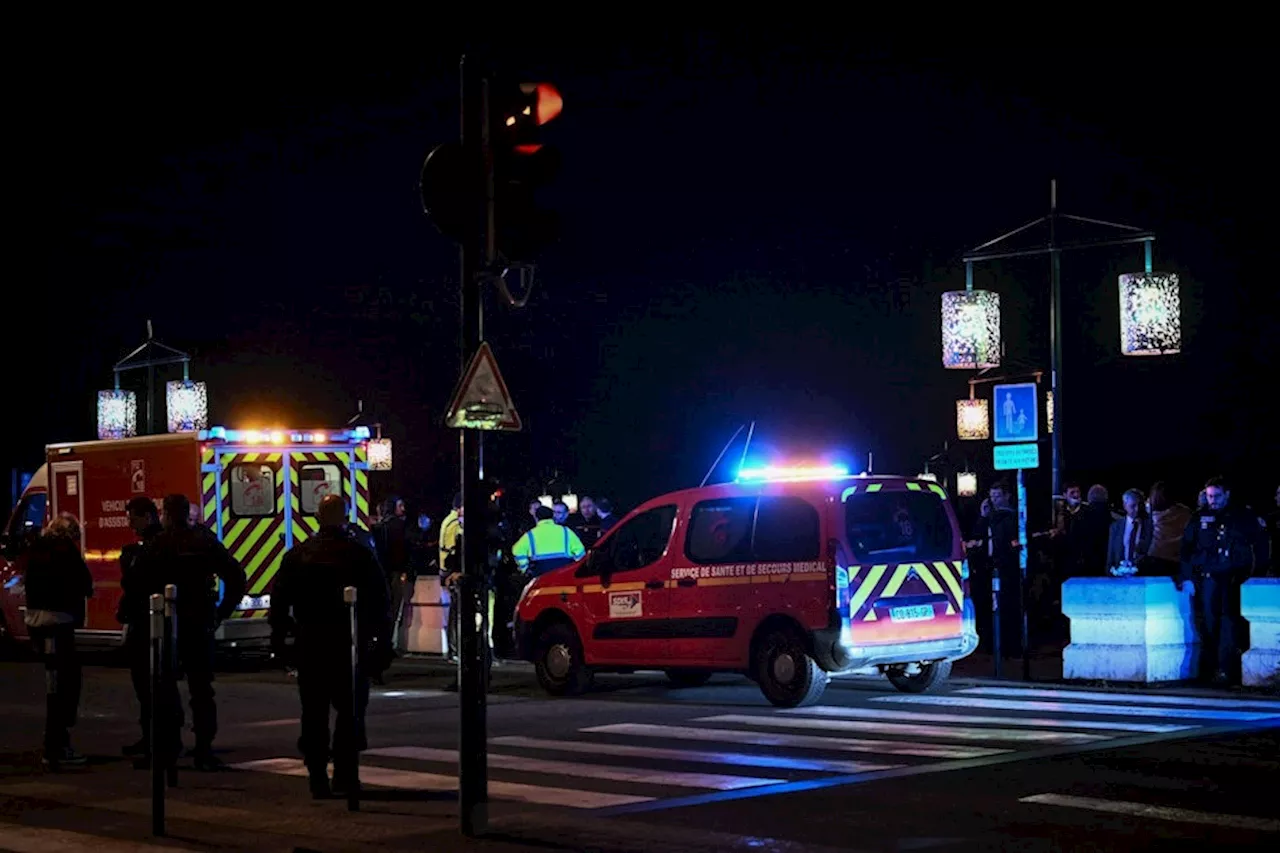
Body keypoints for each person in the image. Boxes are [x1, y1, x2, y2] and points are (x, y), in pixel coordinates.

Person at [270, 494, 391, 799]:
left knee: (313, 712)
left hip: (310, 644)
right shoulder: (359, 554)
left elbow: (279, 601)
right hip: (349, 645)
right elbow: (381, 601)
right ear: (345, 517)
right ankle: (346, 776)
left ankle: (317, 777)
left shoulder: (298, 555)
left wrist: (281, 639)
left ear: (318, 518)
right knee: (350, 713)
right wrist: (382, 643)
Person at [131, 493, 246, 770]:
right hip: (199, 622)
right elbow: (236, 576)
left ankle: (167, 749)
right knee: (202, 690)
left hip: (167, 626)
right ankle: (204, 750)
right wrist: (221, 612)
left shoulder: (157, 544)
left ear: (167, 515)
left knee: (164, 688)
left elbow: (136, 585)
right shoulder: (204, 542)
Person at [22, 514, 93, 768]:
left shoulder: (36, 551)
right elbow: (85, 584)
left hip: (36, 624)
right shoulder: (66, 553)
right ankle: (57, 746)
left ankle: (54, 744)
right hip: (60, 623)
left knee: (53, 686)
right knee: (65, 686)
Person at [1179, 477, 1264, 685]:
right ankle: (1209, 672)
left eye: (1217, 496)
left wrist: (1256, 574)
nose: (1212, 500)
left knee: (1230, 625)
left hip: (1234, 580)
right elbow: (1186, 550)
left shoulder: (1242, 517)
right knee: (1209, 625)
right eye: (1209, 496)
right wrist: (1187, 577)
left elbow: (1260, 546)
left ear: (1227, 494)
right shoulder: (1200, 518)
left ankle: (1227, 671)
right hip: (1208, 580)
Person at [118, 496, 163, 760]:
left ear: (148, 516)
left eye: (133, 518)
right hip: (151, 623)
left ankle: (154, 742)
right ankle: (152, 738)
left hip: (149, 625)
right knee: (151, 687)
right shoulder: (150, 545)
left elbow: (136, 585)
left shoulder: (152, 547)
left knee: (149, 687)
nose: (130, 524)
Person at [512, 506, 585, 579]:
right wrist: (576, 568)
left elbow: (517, 550)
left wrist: (524, 568)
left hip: (540, 574)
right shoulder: (566, 531)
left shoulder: (530, 535)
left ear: (537, 518)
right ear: (552, 517)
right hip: (564, 573)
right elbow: (580, 552)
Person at [1106, 489, 1152, 574]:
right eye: (1133, 506)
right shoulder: (1116, 527)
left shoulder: (1150, 526)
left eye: (1140, 505)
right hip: (1120, 577)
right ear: (1125, 505)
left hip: (1143, 576)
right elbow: (1111, 555)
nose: (1137, 509)